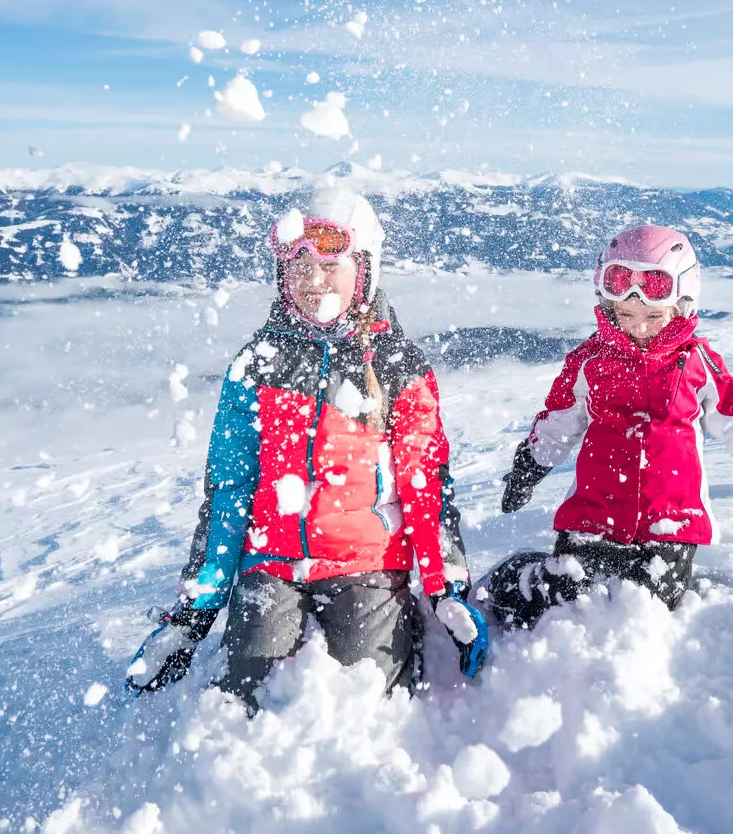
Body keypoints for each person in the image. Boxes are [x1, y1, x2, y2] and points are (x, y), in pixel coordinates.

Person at [125, 187, 488, 710]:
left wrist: (445, 588)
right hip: (270, 561)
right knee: (244, 693)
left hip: (366, 562)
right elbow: (230, 488)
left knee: (369, 697)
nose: (313, 280)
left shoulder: (395, 365)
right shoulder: (258, 363)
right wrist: (193, 613)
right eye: (298, 265)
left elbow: (425, 483)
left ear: (364, 269)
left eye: (329, 265)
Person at [479, 224, 733, 631]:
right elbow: (558, 422)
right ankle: (516, 577)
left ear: (681, 305)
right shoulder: (589, 362)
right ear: (607, 303)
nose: (637, 327)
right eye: (625, 314)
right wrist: (530, 465)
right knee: (565, 601)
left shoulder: (697, 364)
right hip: (592, 515)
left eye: (653, 316)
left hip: (668, 525)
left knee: (649, 605)